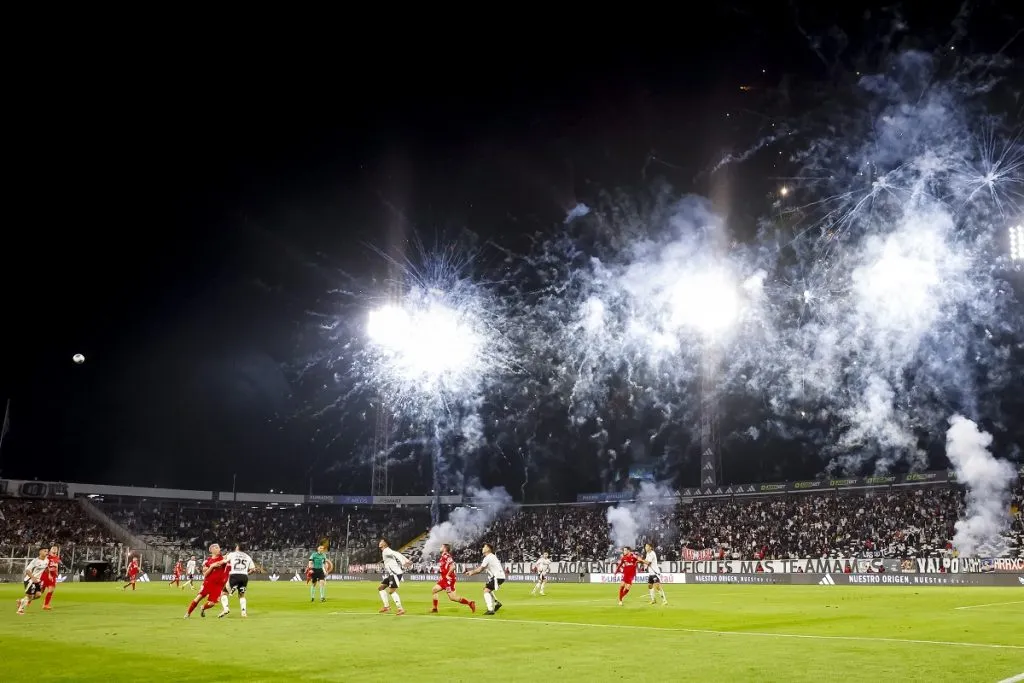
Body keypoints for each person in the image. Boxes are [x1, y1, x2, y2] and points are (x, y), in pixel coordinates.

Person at [184, 543, 231, 619]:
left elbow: (226, 559)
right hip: (208, 583)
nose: (219, 549)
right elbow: (205, 574)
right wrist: (211, 567)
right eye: (216, 548)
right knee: (199, 597)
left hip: (218, 585)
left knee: (212, 603)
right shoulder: (208, 561)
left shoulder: (223, 558)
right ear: (211, 550)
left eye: (219, 547)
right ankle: (188, 613)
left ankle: (203, 608)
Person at [431, 543, 475, 613]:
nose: (440, 548)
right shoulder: (442, 557)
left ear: (445, 548)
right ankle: (435, 608)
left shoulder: (447, 556)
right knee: (434, 590)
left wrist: (448, 575)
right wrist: (441, 576)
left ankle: (470, 603)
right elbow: (444, 568)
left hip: (449, 580)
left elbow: (453, 566)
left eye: (441, 547)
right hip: (444, 579)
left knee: (453, 598)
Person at [465, 542, 505, 615]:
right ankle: (496, 603)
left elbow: (480, 569)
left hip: (497, 577)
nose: (482, 548)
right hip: (499, 576)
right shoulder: (492, 556)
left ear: (488, 549)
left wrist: (471, 572)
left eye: (484, 547)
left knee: (486, 591)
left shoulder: (488, 557)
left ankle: (490, 610)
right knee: (487, 588)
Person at [377, 538, 410, 615]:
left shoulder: (386, 550)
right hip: (392, 574)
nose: (380, 542)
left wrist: (404, 562)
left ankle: (400, 609)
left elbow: (396, 554)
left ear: (385, 544)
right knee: (381, 588)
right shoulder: (385, 551)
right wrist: (406, 561)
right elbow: (396, 554)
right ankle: (386, 607)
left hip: (395, 574)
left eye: (381, 541)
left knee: (391, 592)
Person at [223, 543, 255, 618]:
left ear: (237, 547)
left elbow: (225, 561)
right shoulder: (248, 556)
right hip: (244, 576)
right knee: (241, 595)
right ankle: (243, 612)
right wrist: (247, 573)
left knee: (224, 593)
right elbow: (253, 569)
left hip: (234, 575)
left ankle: (226, 608)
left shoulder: (232, 554)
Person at [17, 547, 49, 615]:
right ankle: (20, 610)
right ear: (40, 552)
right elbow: (27, 570)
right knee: (29, 596)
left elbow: (46, 567)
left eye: (47, 551)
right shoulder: (35, 561)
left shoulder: (47, 560)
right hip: (30, 580)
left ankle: (21, 601)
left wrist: (48, 573)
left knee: (38, 595)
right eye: (44, 551)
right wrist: (32, 577)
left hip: (37, 580)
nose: (46, 552)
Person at [40, 544, 61, 610]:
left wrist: (57, 572)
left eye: (56, 549)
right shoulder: (47, 557)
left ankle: (46, 605)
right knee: (40, 592)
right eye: (53, 548)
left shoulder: (57, 558)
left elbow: (56, 565)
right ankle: (27, 601)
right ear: (50, 551)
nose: (55, 549)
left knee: (51, 590)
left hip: (53, 576)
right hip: (45, 575)